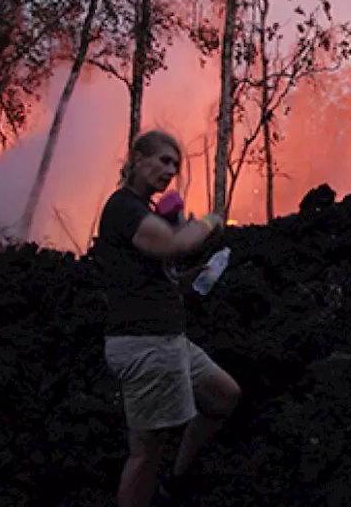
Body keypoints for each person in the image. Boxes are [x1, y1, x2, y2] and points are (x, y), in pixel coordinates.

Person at [95, 129, 242, 507]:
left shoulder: (143, 212)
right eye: (164, 160)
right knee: (146, 451)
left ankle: (176, 481)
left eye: (175, 165)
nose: (171, 170)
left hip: (168, 340)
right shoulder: (123, 208)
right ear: (138, 158)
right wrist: (210, 222)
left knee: (223, 395)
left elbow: (162, 274)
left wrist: (199, 277)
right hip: (144, 344)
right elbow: (174, 243)